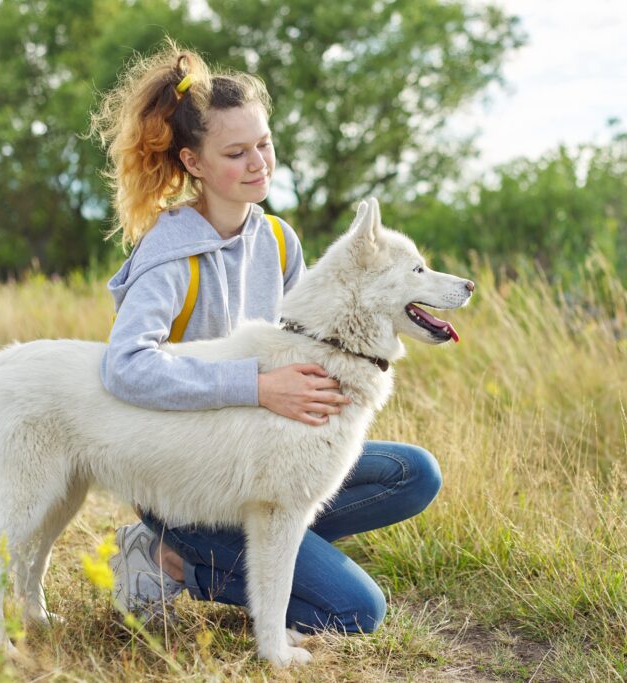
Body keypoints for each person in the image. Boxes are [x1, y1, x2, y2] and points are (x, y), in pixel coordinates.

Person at [89, 39, 442, 635]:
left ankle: (272, 545)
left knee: (414, 474)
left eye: (264, 144)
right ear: (194, 163)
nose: (259, 163)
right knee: (357, 611)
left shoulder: (279, 241)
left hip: (264, 460)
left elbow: (313, 349)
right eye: (236, 152)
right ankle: (168, 558)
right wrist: (255, 385)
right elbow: (124, 367)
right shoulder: (169, 255)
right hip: (187, 480)